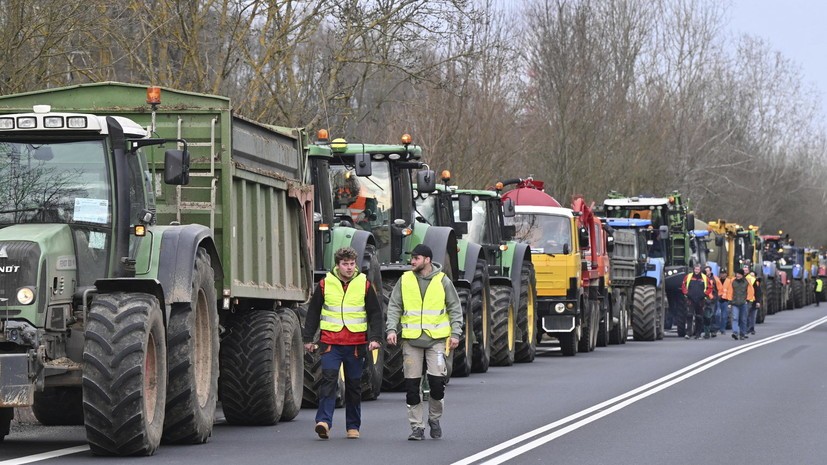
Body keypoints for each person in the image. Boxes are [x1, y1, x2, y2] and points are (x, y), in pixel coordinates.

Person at [302, 247, 383, 440]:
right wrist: (307, 338)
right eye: (345, 264)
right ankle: (323, 422)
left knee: (354, 386)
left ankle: (353, 426)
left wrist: (376, 338)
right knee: (328, 381)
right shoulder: (324, 284)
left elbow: (375, 313)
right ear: (337, 265)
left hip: (356, 344)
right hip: (330, 343)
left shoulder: (364, 284)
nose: (349, 267)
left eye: (352, 264)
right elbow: (313, 312)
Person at [386, 244, 463, 441]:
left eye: (416, 258)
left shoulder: (442, 281)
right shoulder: (405, 280)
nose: (412, 262)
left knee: (437, 384)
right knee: (412, 387)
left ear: (427, 260)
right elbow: (394, 306)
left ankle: (434, 419)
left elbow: (455, 308)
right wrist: (392, 329)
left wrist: (455, 333)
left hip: (436, 341)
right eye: (412, 258)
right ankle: (417, 427)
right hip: (411, 341)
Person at [681, 265, 712, 339]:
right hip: (690, 299)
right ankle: (688, 333)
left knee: (699, 317)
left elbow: (710, 287)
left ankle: (698, 334)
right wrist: (686, 293)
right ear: (693, 269)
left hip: (701, 300)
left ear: (700, 270)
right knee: (689, 315)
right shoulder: (688, 277)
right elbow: (683, 285)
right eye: (695, 269)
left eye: (698, 269)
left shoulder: (704, 278)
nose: (697, 270)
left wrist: (704, 294)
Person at [723, 268, 754, 340]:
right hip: (735, 303)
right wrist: (730, 301)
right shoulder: (732, 281)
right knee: (735, 318)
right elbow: (730, 292)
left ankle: (742, 333)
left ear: (742, 275)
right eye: (737, 274)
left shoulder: (747, 282)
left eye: (739, 274)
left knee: (743, 319)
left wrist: (748, 300)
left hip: (744, 303)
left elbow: (750, 291)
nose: (738, 275)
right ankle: (735, 332)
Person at [703, 266, 724, 338]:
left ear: (710, 271)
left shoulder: (715, 279)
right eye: (705, 271)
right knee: (706, 316)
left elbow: (720, 288)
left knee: (714, 315)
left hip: (713, 300)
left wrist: (717, 297)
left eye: (708, 271)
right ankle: (707, 331)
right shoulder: (702, 278)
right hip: (704, 299)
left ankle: (713, 330)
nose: (707, 272)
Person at [716, 268, 730, 335]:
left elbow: (730, 291)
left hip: (725, 300)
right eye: (721, 273)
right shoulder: (717, 280)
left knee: (724, 316)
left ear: (726, 274)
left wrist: (730, 300)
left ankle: (722, 329)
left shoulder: (729, 281)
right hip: (718, 299)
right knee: (717, 314)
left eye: (724, 273)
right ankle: (717, 327)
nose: (722, 274)